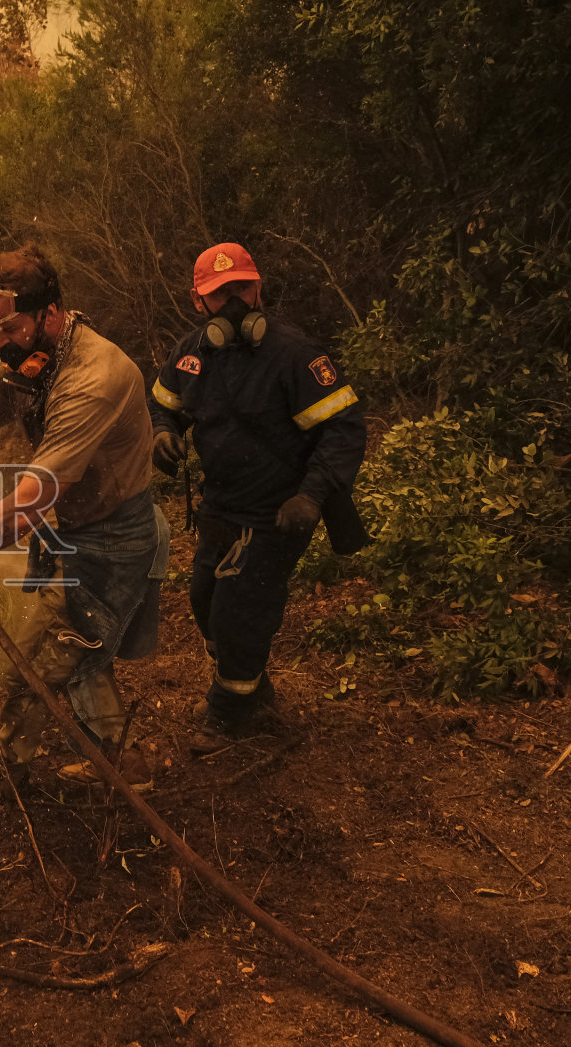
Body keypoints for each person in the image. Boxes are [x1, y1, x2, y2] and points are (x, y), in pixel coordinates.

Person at [0, 244, 166, 820]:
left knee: (32, 666)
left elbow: (33, 497)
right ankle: (124, 760)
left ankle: (4, 782)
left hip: (114, 538)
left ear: (51, 313)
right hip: (73, 528)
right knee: (76, 651)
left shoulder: (95, 378)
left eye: (9, 327)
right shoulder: (16, 357)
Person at [147, 242, 367, 752]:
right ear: (198, 302)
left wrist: (311, 497)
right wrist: (162, 432)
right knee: (204, 600)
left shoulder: (295, 355)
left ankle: (228, 712)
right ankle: (251, 685)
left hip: (277, 515)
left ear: (259, 287)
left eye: (241, 288)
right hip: (219, 509)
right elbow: (163, 403)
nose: (233, 302)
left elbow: (344, 429)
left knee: (239, 613)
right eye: (219, 294)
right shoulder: (191, 353)